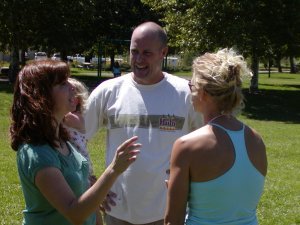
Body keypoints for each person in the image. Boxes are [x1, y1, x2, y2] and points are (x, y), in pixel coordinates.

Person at [84, 21, 202, 225]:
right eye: (134, 51)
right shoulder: (108, 91)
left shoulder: (186, 94)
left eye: (147, 53)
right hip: (117, 210)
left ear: (163, 52)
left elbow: (208, 144)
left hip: (167, 213)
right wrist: (90, 183)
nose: (138, 59)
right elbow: (74, 138)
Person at [10, 59, 141, 225]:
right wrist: (114, 170)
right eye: (63, 83)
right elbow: (75, 213)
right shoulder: (37, 153)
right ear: (42, 96)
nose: (72, 87)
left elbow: (85, 195)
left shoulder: (64, 139)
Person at [164, 48, 268, 225]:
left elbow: (172, 221)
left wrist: (175, 192)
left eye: (192, 86)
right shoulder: (256, 140)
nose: (190, 91)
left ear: (203, 93)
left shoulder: (186, 146)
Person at [63, 77, 103, 225]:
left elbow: (62, 119)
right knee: (90, 202)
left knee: (90, 202)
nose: (70, 99)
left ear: (79, 100)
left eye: (73, 96)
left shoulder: (75, 118)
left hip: (81, 164)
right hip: (73, 163)